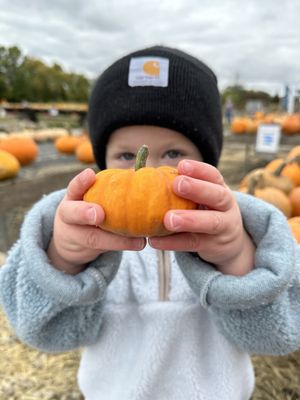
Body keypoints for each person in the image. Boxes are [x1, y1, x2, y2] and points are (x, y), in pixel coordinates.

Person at [0, 46, 300, 400]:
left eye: (173, 154)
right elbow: (43, 332)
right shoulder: (86, 241)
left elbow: (279, 337)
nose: (145, 170)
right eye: (126, 155)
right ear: (102, 164)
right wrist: (63, 259)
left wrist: (237, 258)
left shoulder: (240, 231)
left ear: (208, 162)